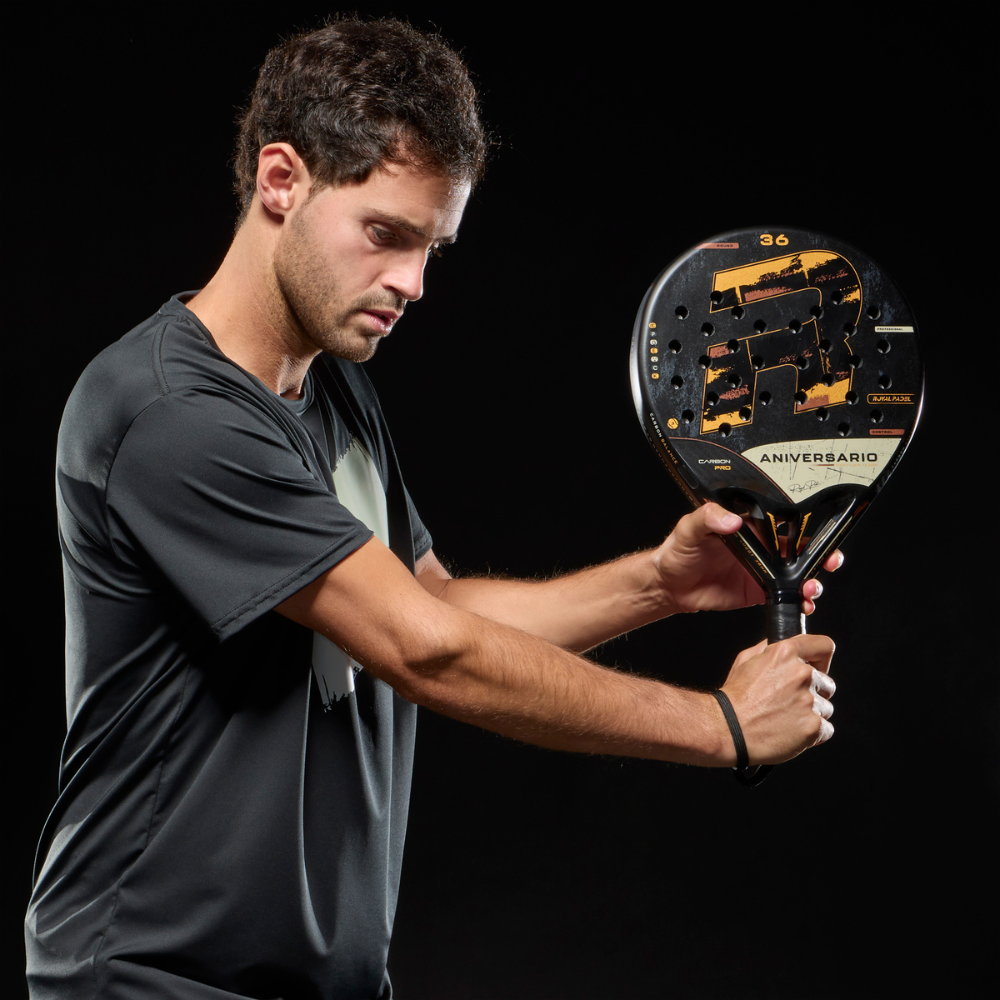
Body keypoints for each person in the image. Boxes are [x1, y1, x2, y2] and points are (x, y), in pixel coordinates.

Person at [25, 17, 838, 999]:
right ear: (280, 181)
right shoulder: (170, 414)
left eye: (432, 249)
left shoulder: (332, 386)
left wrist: (658, 584)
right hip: (153, 977)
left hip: (322, 979)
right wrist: (721, 726)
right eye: (385, 235)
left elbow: (434, 606)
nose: (411, 282)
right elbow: (424, 652)